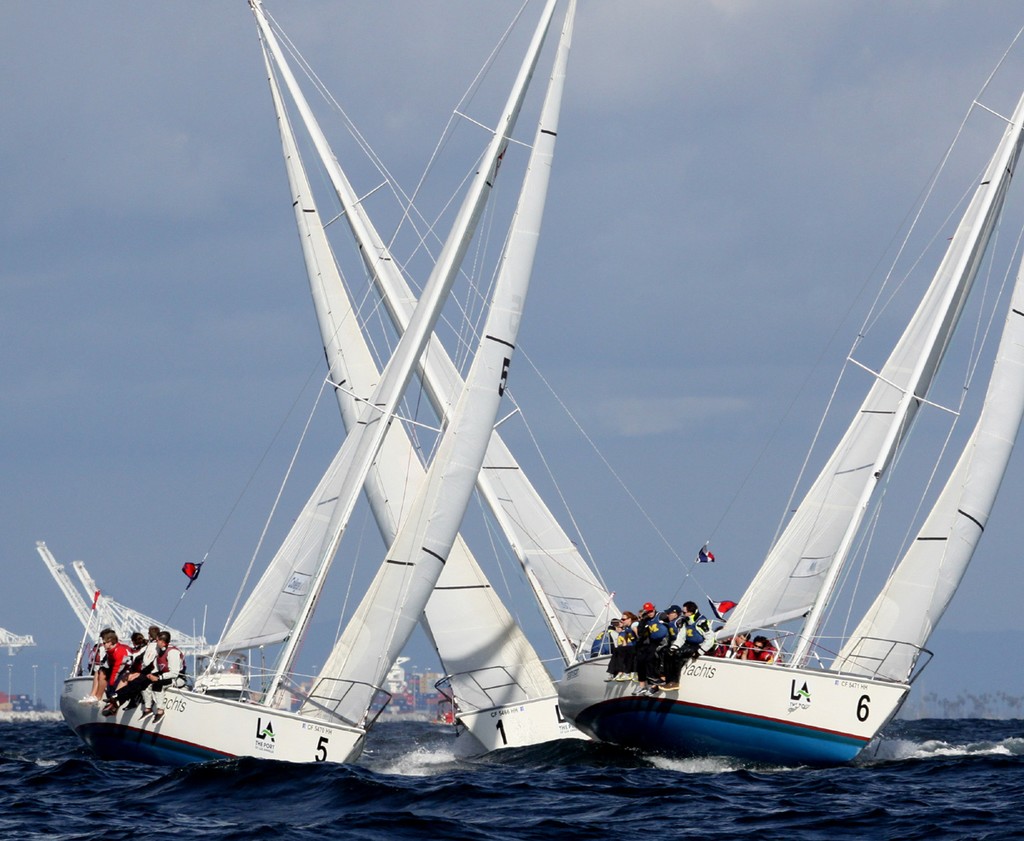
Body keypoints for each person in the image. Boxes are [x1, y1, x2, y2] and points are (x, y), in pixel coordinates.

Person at [661, 601, 714, 690]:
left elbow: (710, 639)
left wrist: (700, 651)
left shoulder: (702, 622)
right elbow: (681, 637)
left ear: (691, 612)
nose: (683, 614)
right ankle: (668, 679)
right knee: (667, 652)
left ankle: (675, 682)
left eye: (684, 612)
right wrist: (673, 647)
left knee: (678, 654)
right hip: (687, 644)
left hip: (697, 645)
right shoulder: (685, 622)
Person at [634, 602, 669, 695]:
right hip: (653, 641)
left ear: (654, 609)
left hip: (663, 641)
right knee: (640, 659)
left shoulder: (661, 616)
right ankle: (642, 684)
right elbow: (640, 632)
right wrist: (643, 620)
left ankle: (655, 679)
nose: (650, 613)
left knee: (651, 657)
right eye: (648, 612)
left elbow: (671, 620)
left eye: (651, 611)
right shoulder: (646, 619)